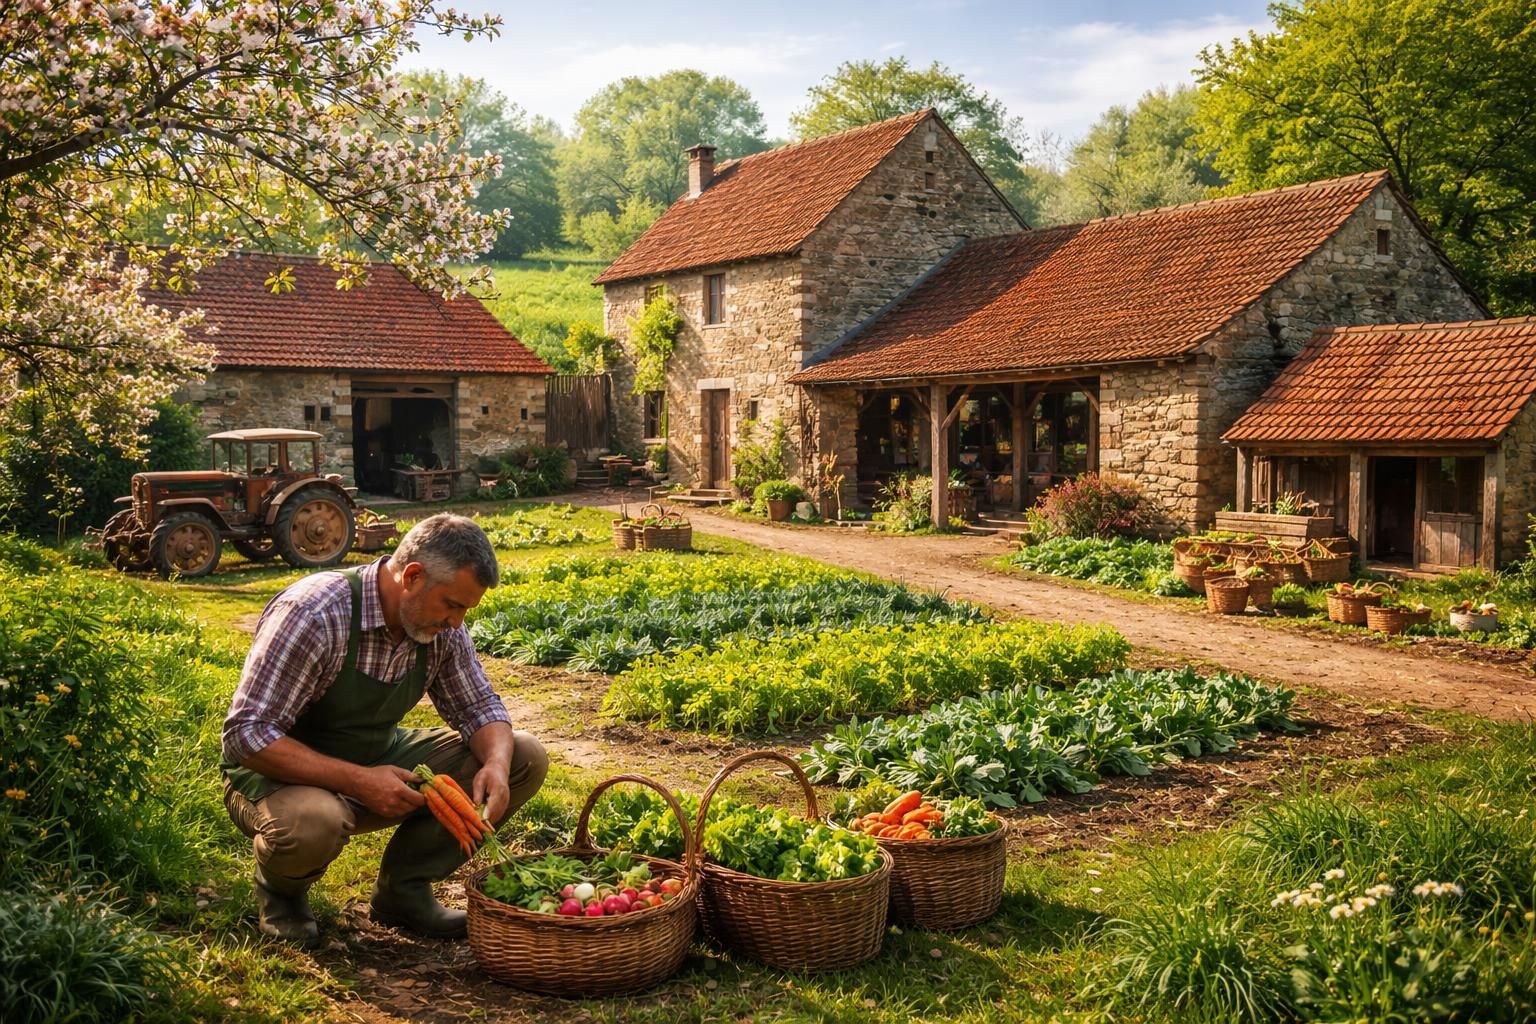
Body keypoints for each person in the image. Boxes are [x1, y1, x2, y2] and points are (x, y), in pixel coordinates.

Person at [220, 514, 547, 947]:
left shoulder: (440, 629)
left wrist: (499, 765)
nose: (456, 622)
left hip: (375, 753)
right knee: (315, 821)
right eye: (452, 605)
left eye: (465, 609)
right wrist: (358, 780)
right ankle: (282, 895)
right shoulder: (315, 613)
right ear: (412, 576)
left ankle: (402, 891)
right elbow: (247, 735)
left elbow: (480, 707)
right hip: (274, 775)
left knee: (524, 755)